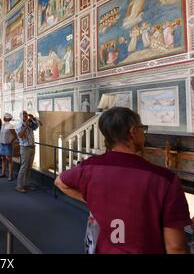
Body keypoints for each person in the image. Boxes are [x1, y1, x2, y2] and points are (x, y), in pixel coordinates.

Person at [55, 107, 191, 254]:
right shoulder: (165, 180)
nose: (143, 134)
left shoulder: (89, 167)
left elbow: (60, 182)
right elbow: (176, 247)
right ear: (133, 132)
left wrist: (93, 199)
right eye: (142, 129)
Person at [16, 111, 41, 193]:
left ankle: (26, 184)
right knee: (24, 167)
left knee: (29, 167)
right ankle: (19, 186)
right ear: (20, 116)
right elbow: (19, 135)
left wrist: (33, 118)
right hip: (25, 148)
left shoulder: (29, 122)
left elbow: (38, 125)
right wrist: (26, 126)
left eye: (26, 114)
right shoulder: (19, 124)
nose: (26, 116)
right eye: (24, 115)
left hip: (32, 147)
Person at [0, 113, 17, 181]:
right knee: (3, 159)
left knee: (9, 160)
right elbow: (1, 135)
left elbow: (15, 136)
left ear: (7, 118)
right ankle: (3, 173)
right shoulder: (3, 125)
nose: (3, 117)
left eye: (5, 117)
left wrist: (10, 142)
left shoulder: (10, 126)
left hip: (8, 145)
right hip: (2, 144)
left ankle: (10, 176)